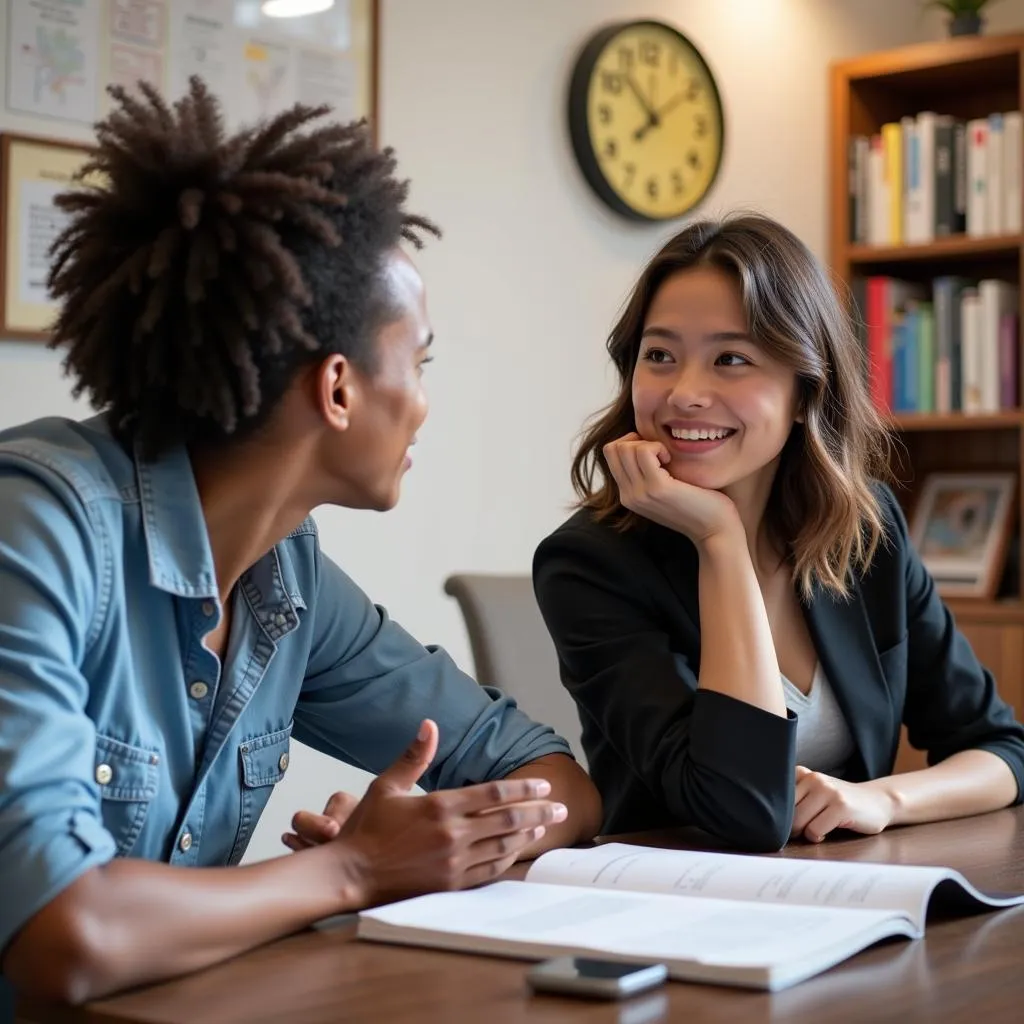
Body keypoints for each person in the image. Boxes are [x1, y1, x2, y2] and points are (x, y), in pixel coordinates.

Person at [0, 79, 601, 1006]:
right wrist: (353, 872)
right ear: (338, 389)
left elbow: (549, 774)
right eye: (422, 360)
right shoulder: (38, 527)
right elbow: (66, 935)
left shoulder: (291, 584)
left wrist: (444, 840)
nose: (427, 400)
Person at [532, 213, 1024, 854]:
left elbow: (1001, 749)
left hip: (844, 899)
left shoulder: (865, 530)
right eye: (659, 356)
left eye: (730, 359)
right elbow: (743, 810)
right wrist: (721, 543)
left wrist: (883, 798)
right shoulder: (588, 565)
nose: (684, 392)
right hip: (674, 912)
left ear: (804, 392)